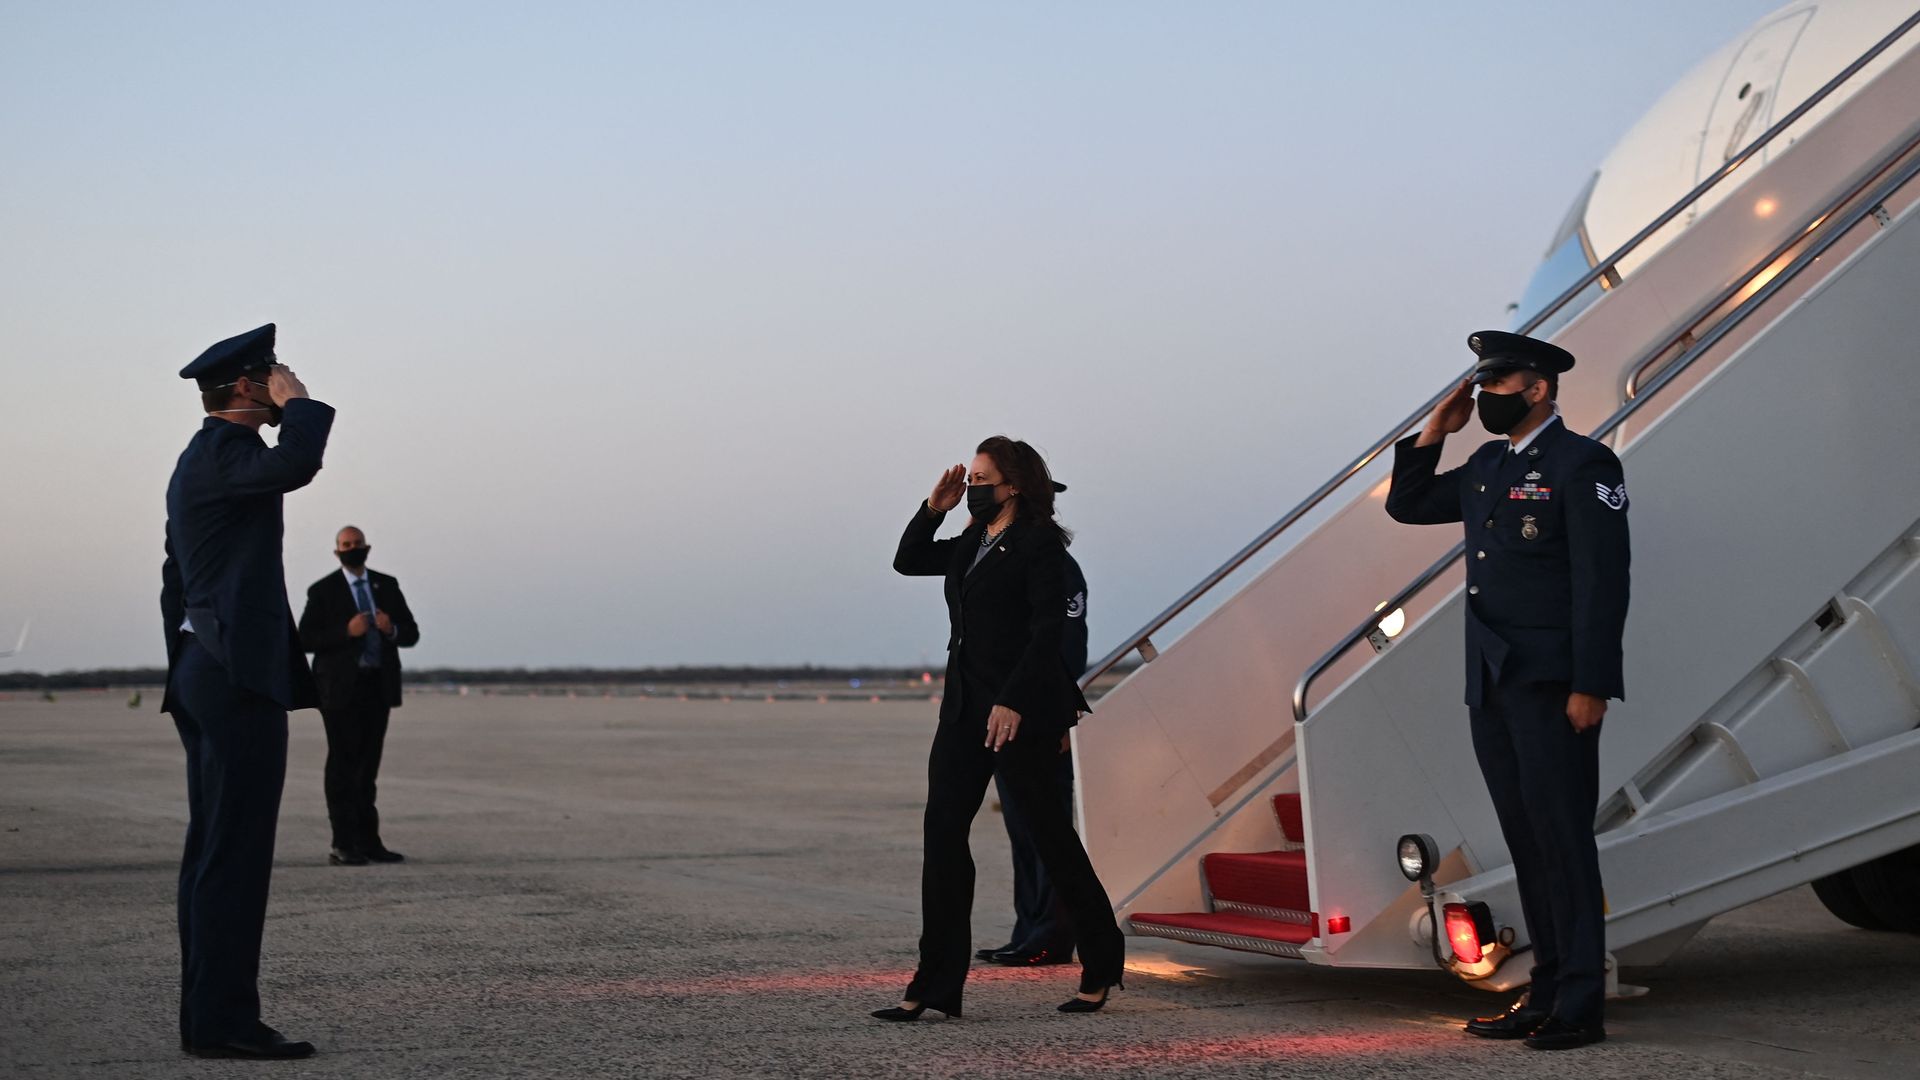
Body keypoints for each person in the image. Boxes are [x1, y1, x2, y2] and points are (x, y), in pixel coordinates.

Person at [1384, 331, 1630, 1051]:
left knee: (1563, 839)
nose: (1487, 397)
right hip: (1492, 681)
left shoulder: (1584, 463)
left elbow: (1601, 580)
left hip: (1555, 684)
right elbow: (1407, 503)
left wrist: (1593, 684)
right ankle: (1546, 989)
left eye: (1498, 385)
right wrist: (1436, 431)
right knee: (1526, 840)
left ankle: (1581, 1003)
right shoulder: (1488, 463)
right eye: (1481, 386)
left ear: (1539, 388)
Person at [875, 437, 1125, 1021]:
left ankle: (1101, 960)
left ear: (1013, 485)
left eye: (982, 478)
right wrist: (933, 507)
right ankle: (934, 984)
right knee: (941, 836)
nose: (974, 488)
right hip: (964, 712)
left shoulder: (1040, 547)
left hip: (1019, 715)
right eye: (971, 480)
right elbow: (908, 559)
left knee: (1050, 839)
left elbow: (1046, 634)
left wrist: (1015, 702)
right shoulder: (969, 543)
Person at [160, 323, 332, 1059]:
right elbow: (298, 465)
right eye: (272, 374)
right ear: (242, 387)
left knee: (214, 851)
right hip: (232, 677)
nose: (284, 378)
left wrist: (192, 653)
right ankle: (223, 1024)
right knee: (233, 855)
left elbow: (173, 577)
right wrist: (303, 405)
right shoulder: (226, 454)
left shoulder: (206, 459)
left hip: (210, 668)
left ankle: (211, 1017)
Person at [976, 507, 1085, 968]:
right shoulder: (1008, 561)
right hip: (1006, 718)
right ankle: (1028, 931)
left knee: (1047, 831)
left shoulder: (1057, 565)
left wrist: (1060, 717)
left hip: (1039, 717)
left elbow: (1067, 644)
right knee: (1022, 830)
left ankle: (1053, 936)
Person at [298, 526, 421, 866]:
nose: (353, 549)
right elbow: (304, 639)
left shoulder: (387, 586)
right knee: (342, 764)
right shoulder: (323, 591)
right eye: (346, 545)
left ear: (367, 547)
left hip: (377, 686)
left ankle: (369, 841)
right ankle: (342, 843)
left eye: (357, 544)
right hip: (338, 691)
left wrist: (390, 629)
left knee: (368, 767)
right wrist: (345, 632)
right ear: (337, 552)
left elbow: (411, 633)